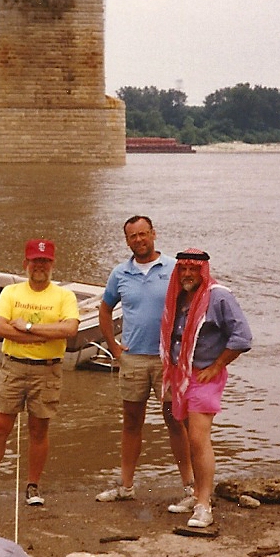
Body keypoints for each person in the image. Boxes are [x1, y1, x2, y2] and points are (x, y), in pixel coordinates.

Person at [0, 239, 80, 509]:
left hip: (47, 370)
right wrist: (43, 334)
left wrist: (27, 327)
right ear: (26, 263)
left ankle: (33, 486)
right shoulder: (11, 292)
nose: (40, 266)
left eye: (45, 261)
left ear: (52, 264)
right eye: (35, 261)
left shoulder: (64, 296)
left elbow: (69, 329)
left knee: (38, 430)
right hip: (13, 368)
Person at [95, 215, 196, 513]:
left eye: (143, 234)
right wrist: (113, 346)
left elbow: (193, 305)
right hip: (133, 358)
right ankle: (126, 486)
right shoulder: (120, 274)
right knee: (131, 422)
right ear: (127, 241)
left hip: (168, 359)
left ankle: (191, 487)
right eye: (133, 236)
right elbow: (105, 308)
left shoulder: (174, 269)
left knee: (176, 421)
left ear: (153, 234)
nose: (139, 240)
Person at [160, 249, 252, 528]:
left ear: (203, 271)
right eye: (183, 269)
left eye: (193, 269)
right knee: (185, 434)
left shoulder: (219, 297)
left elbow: (242, 337)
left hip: (204, 376)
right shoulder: (178, 296)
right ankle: (194, 493)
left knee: (199, 439)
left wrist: (217, 365)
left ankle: (204, 505)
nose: (188, 274)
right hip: (179, 374)